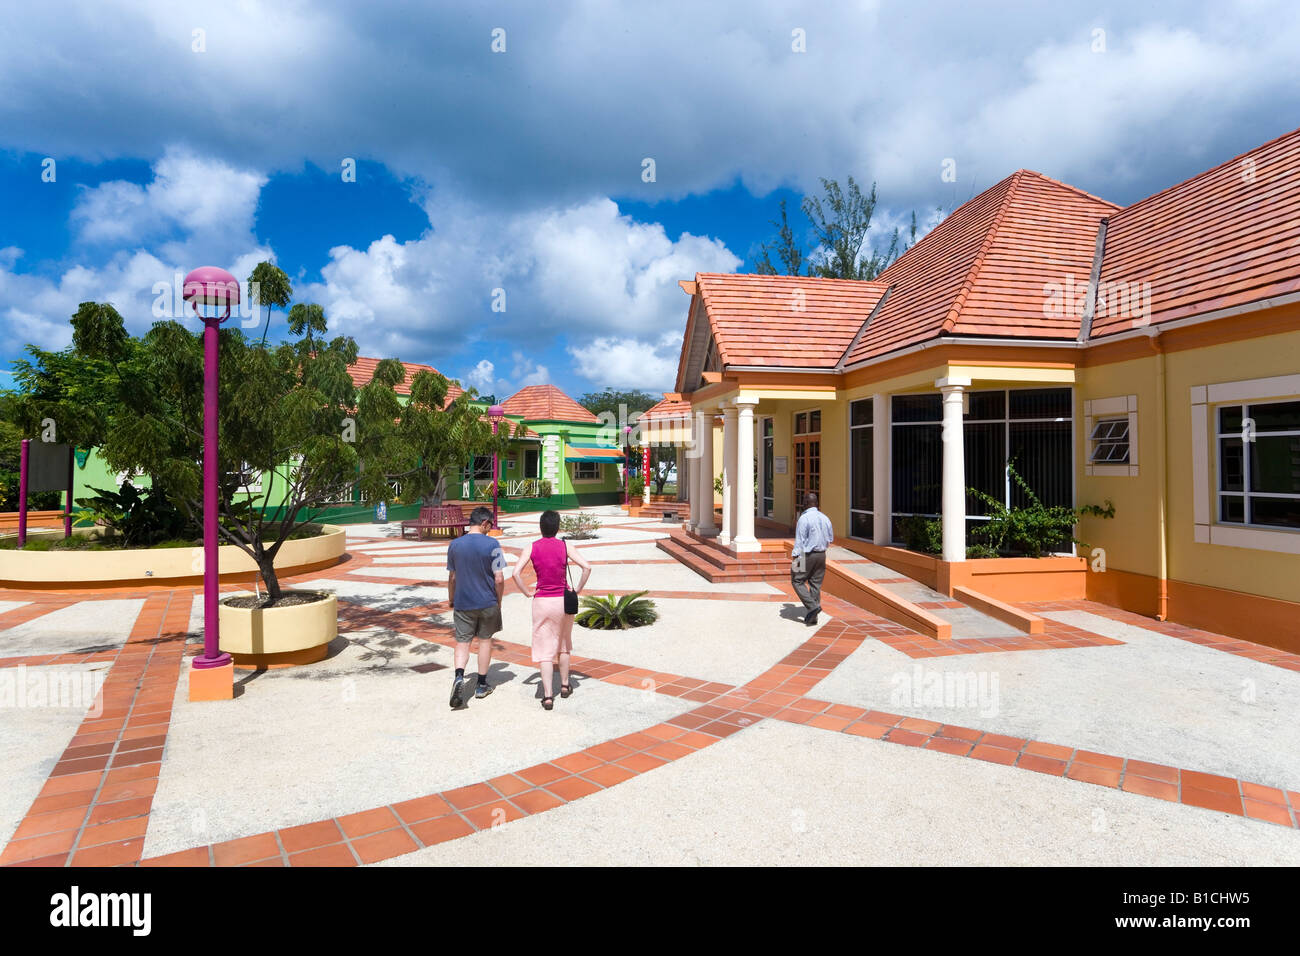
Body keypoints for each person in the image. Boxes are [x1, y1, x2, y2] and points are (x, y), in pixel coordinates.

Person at [511, 509, 591, 710]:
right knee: (564, 644)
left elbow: (515, 573)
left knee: (545, 650)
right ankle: (564, 685)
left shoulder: (532, 547)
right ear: (557, 527)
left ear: (541, 526)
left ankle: (547, 696)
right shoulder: (565, 546)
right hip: (563, 600)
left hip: (542, 602)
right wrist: (577, 589)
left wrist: (526, 592)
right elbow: (586, 567)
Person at [445, 505, 506, 708]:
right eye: (489, 525)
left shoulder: (455, 545)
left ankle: (459, 676)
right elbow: (499, 578)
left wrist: (451, 597)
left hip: (463, 602)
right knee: (485, 640)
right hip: (487, 602)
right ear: (484, 523)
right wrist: (499, 601)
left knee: (463, 642)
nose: (490, 529)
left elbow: (452, 577)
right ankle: (481, 685)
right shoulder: (493, 544)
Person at [791, 492, 833, 626]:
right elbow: (830, 538)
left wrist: (795, 558)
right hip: (822, 555)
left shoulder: (804, 518)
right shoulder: (825, 518)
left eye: (804, 501)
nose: (803, 503)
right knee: (815, 584)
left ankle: (812, 606)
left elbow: (800, 541)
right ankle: (813, 617)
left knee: (796, 580)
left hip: (806, 554)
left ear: (808, 503)